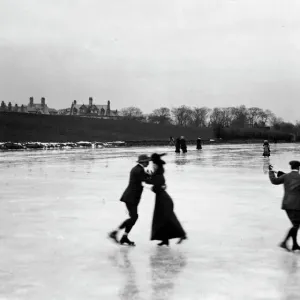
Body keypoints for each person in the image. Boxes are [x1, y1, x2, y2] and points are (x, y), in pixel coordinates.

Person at [108, 154, 151, 246]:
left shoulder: (138, 169)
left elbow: (143, 178)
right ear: (143, 162)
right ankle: (115, 233)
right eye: (147, 161)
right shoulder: (138, 170)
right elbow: (145, 181)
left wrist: (147, 175)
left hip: (132, 197)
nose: (149, 162)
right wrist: (151, 177)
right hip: (131, 197)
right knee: (134, 217)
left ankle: (124, 237)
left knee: (133, 217)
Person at [149, 153, 187, 246]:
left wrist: (151, 187)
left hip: (163, 200)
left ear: (157, 165)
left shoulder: (158, 174)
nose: (152, 166)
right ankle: (165, 240)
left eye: (154, 164)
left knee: (168, 219)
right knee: (162, 220)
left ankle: (182, 235)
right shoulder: (158, 172)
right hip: (162, 199)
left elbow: (156, 187)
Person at [268, 161, 300, 252]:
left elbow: (274, 181)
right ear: (298, 168)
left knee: (295, 225)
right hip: (297, 205)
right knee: (296, 225)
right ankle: (284, 242)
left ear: (291, 167)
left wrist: (271, 172)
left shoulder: (286, 176)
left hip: (287, 204)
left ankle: (294, 244)